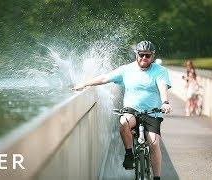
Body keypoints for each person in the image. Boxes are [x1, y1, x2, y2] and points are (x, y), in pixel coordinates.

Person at [72, 41, 172, 180]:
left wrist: (165, 102)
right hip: (132, 110)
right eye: (141, 55)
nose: (144, 58)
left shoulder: (160, 71)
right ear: (136, 54)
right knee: (123, 121)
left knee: (154, 143)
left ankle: (156, 177)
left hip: (152, 112)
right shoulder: (126, 69)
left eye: (147, 56)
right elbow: (105, 78)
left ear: (152, 57)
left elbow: (162, 87)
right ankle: (129, 153)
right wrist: (84, 83)